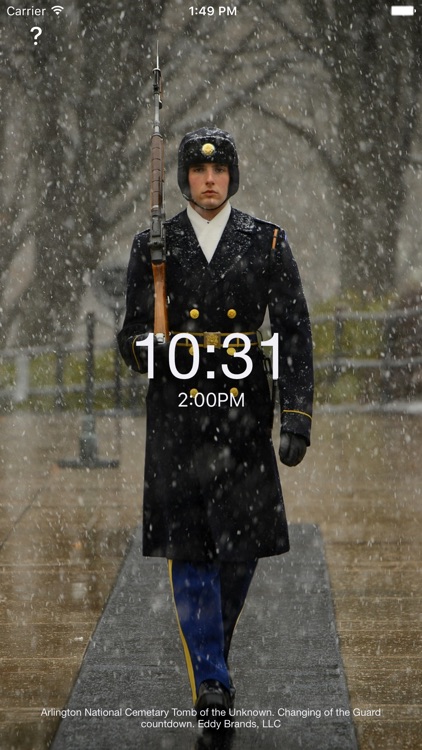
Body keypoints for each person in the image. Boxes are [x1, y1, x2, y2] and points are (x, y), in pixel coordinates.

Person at [118, 127, 313, 721]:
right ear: (183, 178)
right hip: (179, 412)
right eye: (199, 171)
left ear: (232, 176)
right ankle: (211, 680)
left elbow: (295, 334)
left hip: (243, 410)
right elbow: (128, 338)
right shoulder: (156, 244)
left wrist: (296, 415)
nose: (210, 179)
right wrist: (151, 347)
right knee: (191, 546)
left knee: (240, 550)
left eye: (220, 170)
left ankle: (210, 660)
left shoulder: (266, 242)